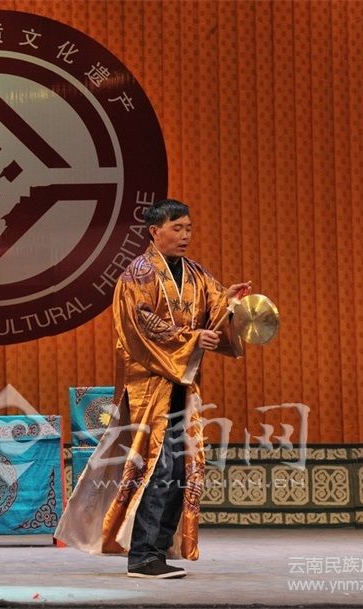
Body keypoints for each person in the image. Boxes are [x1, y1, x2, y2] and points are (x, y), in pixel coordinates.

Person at [55, 199, 250, 579]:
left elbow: (213, 311)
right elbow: (139, 326)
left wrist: (230, 302)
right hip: (148, 391)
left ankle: (156, 549)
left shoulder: (195, 274)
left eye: (188, 228)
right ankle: (142, 555)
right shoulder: (137, 276)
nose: (185, 235)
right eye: (177, 228)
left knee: (179, 471)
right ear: (154, 232)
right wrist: (192, 339)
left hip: (182, 388)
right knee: (155, 470)